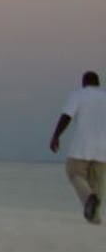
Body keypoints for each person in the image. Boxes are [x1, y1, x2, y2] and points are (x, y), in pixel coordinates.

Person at [49, 71, 106, 225]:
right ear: (98, 83)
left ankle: (88, 198)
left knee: (74, 172)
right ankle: (95, 218)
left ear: (84, 83)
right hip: (103, 149)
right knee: (97, 183)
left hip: (82, 146)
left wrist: (56, 136)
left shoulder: (79, 95)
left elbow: (67, 116)